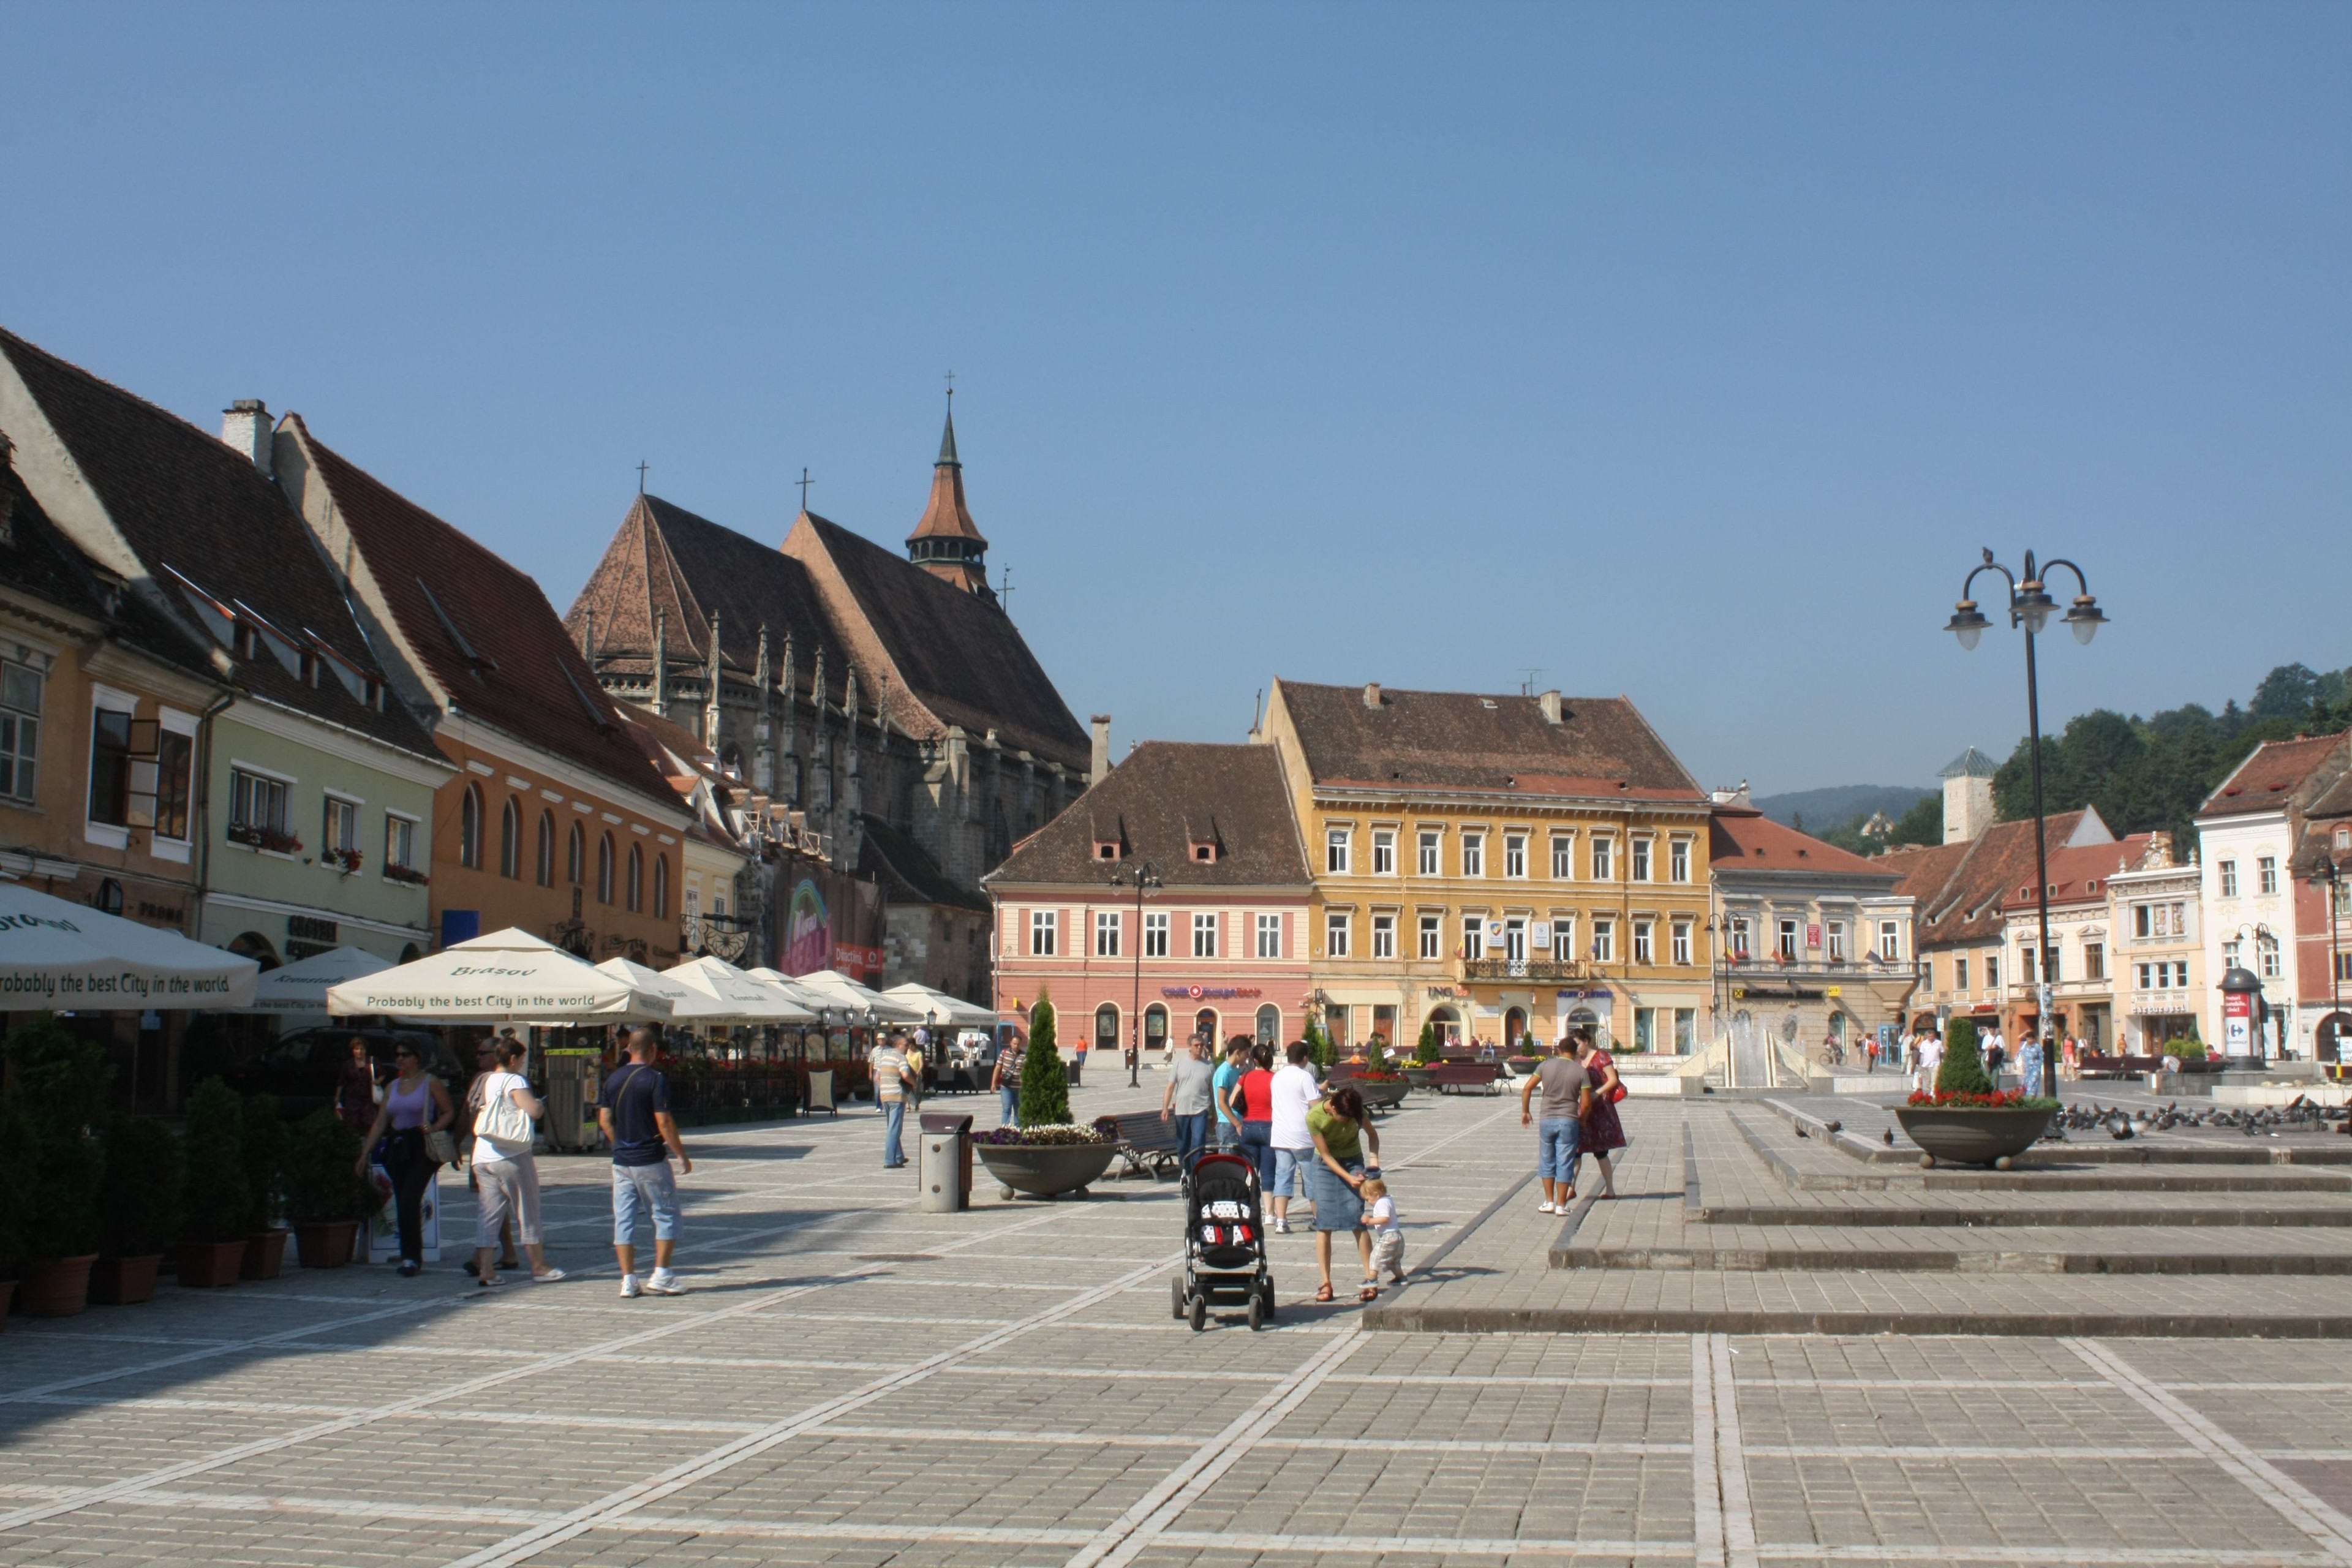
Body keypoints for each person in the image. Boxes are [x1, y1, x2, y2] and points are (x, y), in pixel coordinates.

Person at [598, 1025, 691, 1298]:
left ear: (629, 1049)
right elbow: (664, 1120)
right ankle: (661, 1274)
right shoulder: (655, 1078)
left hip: (622, 1161)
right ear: (653, 1050)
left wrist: (619, 1143)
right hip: (650, 1158)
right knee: (665, 1214)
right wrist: (681, 1154)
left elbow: (604, 1120)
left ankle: (628, 1279)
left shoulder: (613, 1079)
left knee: (624, 1219)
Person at [353, 1042, 456, 1278]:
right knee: (402, 1199)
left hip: (422, 1144)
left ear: (416, 1057)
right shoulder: (393, 1086)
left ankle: (412, 1258)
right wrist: (365, 1153)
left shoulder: (430, 1082)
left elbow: (449, 1111)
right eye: (397, 1055)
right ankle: (408, 1254)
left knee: (410, 1197)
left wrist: (434, 1127)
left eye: (405, 1054)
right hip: (399, 1144)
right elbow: (381, 1122)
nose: (400, 1059)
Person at [469, 1036, 564, 1286]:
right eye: (521, 1060)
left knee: (488, 1215)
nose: (521, 1064)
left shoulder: (486, 1079)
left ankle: (486, 1270)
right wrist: (539, 1106)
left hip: (482, 1155)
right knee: (528, 1210)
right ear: (512, 1059)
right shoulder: (514, 1080)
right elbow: (533, 1110)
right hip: (511, 1155)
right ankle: (538, 1266)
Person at [1306, 1084, 1382, 1302]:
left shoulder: (1356, 1111)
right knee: (1324, 1222)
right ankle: (1325, 1283)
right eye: (1346, 1119)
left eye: (1352, 1120)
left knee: (1358, 1219)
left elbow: (1372, 1135)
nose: (1349, 1123)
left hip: (1352, 1160)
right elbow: (1326, 1155)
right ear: (1333, 1110)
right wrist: (1348, 1179)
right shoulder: (1314, 1117)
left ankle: (1370, 1279)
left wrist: (1374, 1162)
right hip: (1325, 1165)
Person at [461, 1038, 519, 1279]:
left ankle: (482, 1259)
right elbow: (467, 1113)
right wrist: (456, 1143)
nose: (478, 1057)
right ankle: (509, 1253)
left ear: (497, 1055)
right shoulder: (480, 1079)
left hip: (498, 1150)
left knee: (491, 1204)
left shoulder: (505, 1081)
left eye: (482, 1053)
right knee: (495, 1203)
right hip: (484, 1148)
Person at [1521, 1036, 1590, 1212]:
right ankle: (1562, 1205)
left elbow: (1527, 1088)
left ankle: (1549, 1202)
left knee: (1547, 1160)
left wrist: (1525, 1111)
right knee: (1565, 1161)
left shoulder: (1545, 1066)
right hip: (1568, 1120)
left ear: (1559, 1050)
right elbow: (1586, 1103)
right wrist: (1583, 1119)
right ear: (1575, 1053)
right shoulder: (1581, 1072)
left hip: (1547, 1119)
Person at [1268, 1041, 1319, 1234]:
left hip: (1281, 1135)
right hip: (1303, 1136)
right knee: (1311, 1178)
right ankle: (1318, 1218)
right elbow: (1315, 1106)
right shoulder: (1305, 1077)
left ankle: (1281, 1220)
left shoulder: (1277, 1077)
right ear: (1305, 1058)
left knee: (1283, 1176)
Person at [1573, 1033, 1626, 1199]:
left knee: (1601, 1151)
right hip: (1584, 1109)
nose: (1576, 1048)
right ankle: (1570, 1189)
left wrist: (1597, 1093)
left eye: (1578, 1044)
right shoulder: (1576, 1060)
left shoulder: (1602, 1056)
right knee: (1576, 1150)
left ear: (1586, 1041)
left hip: (1601, 1109)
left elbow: (1613, 1080)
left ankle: (1610, 1190)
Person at [1161, 1033, 1215, 1168]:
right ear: (1190, 1047)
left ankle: (1197, 1171)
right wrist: (1165, 1108)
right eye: (1196, 1045)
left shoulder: (1209, 1066)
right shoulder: (1179, 1064)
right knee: (1183, 1144)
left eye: (1201, 1045)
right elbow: (1170, 1087)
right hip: (1182, 1110)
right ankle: (1186, 1171)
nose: (1199, 1048)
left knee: (1198, 1142)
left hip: (1201, 1109)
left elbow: (1212, 1091)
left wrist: (1215, 1113)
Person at [1235, 1041, 1277, 1195]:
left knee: (1249, 1169)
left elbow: (1232, 1100)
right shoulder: (1275, 1078)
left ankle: (1248, 1201)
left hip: (1248, 1125)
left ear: (1254, 1060)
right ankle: (1270, 1209)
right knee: (1268, 1173)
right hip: (1269, 1127)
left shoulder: (1245, 1077)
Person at [872, 1031, 915, 1169]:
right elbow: (905, 1075)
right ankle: (890, 1160)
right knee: (895, 1129)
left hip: (885, 1096)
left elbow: (876, 1078)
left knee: (892, 1127)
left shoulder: (885, 1057)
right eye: (906, 1045)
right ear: (898, 1045)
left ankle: (899, 1157)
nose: (908, 1047)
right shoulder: (901, 1057)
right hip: (897, 1096)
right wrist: (914, 1083)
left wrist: (884, 1088)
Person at [1363, 1175, 1404, 1284]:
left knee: (1375, 1257)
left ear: (1376, 1195)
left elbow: (1385, 1218)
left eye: (1368, 1199)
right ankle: (1401, 1277)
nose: (1368, 1202)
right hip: (1397, 1235)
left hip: (1388, 1237)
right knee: (1393, 1261)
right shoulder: (1387, 1200)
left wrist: (1370, 1221)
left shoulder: (1381, 1203)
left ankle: (1372, 1278)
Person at [335, 1038, 380, 1136]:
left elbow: (383, 1074)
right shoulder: (348, 1065)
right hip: (353, 1100)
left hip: (368, 1100)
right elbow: (341, 1082)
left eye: (362, 1049)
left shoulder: (372, 1062)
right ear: (353, 1050)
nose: (359, 1051)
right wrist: (337, 1097)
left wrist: (377, 1081)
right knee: (352, 1125)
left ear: (366, 1050)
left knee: (369, 1125)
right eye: (357, 1049)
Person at [1212, 1036, 1249, 1152]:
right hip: (1227, 1123)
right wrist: (1237, 1124)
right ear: (1238, 1052)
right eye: (1246, 1053)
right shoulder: (1224, 1072)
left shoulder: (1235, 1070)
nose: (1248, 1056)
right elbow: (1221, 1102)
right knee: (1228, 1159)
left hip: (1235, 1121)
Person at [992, 1031, 1025, 1128]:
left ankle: (1018, 1128)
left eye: (1018, 1044)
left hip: (1019, 1087)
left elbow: (1026, 1070)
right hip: (1006, 1087)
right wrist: (993, 1083)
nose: (1016, 1046)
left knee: (1019, 1109)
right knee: (1007, 1108)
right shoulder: (1004, 1053)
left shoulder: (1024, 1056)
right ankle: (1005, 1128)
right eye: (1014, 1044)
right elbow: (998, 1067)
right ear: (1010, 1043)